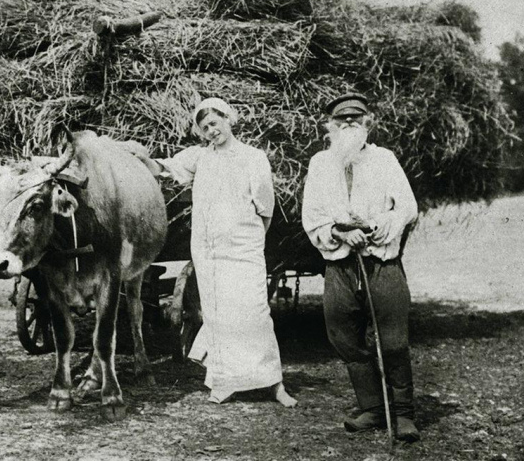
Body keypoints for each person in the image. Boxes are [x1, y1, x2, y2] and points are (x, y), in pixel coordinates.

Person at [132, 97, 297, 407]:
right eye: (204, 127)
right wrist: (137, 156)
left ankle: (275, 385)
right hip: (209, 252)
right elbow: (163, 167)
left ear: (228, 119)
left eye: (215, 122)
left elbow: (266, 206)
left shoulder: (253, 157)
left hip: (244, 248)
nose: (211, 130)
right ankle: (224, 383)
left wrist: (250, 238)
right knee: (218, 315)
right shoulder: (199, 158)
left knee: (255, 314)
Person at [301, 92, 420, 442]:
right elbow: (311, 217)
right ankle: (372, 408)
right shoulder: (320, 163)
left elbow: (407, 208)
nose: (349, 124)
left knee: (393, 340)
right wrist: (339, 232)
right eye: (342, 120)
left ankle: (403, 414)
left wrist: (380, 225)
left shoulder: (385, 159)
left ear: (368, 123)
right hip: (340, 265)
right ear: (330, 127)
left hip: (382, 261)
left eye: (356, 118)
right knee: (344, 336)